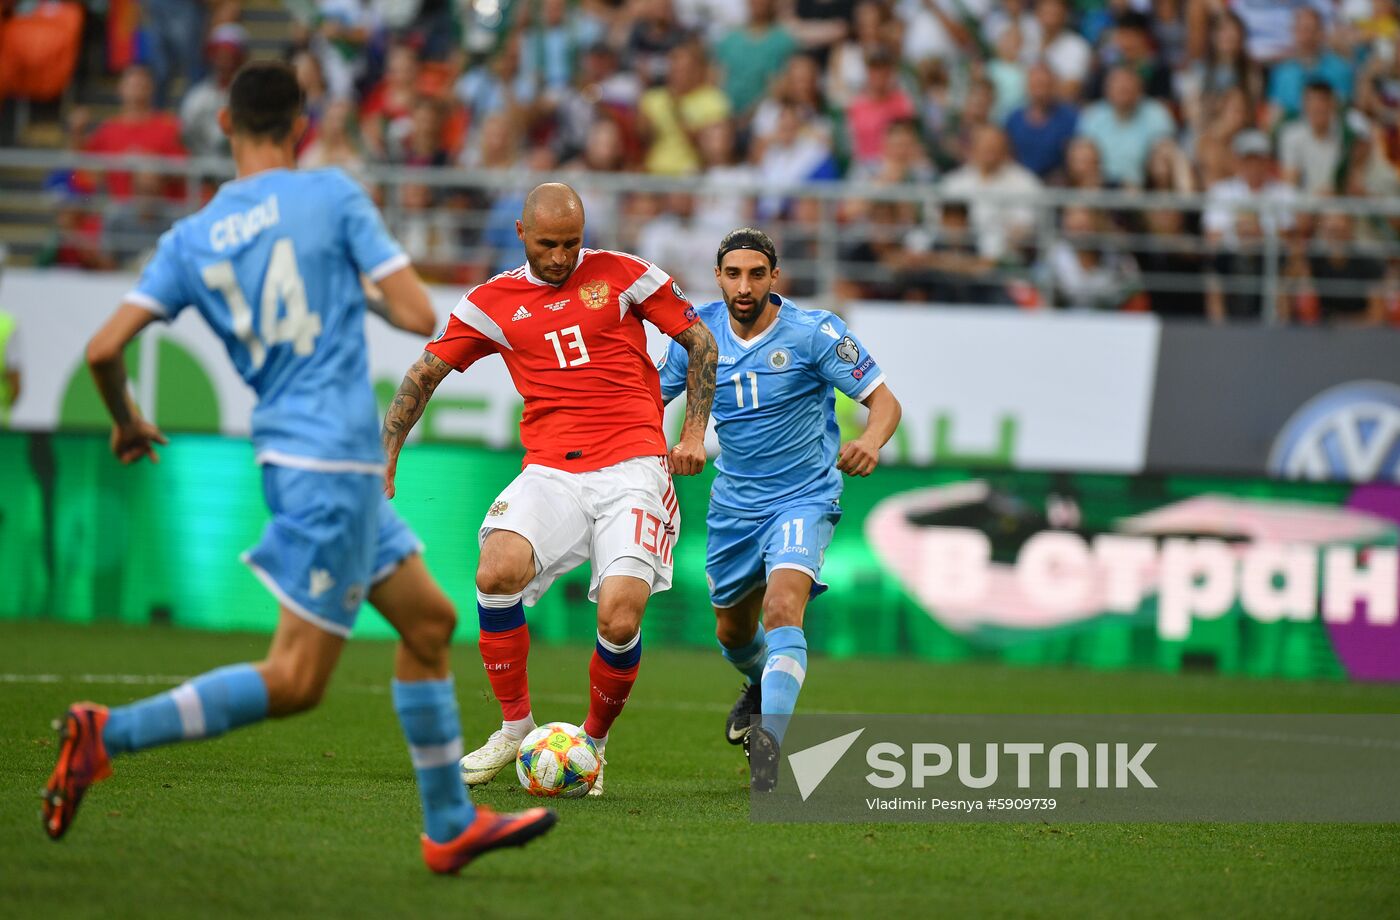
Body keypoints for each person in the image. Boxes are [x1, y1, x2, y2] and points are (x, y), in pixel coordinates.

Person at [41, 61, 557, 874]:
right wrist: (359, 288)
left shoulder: (191, 236)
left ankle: (451, 824)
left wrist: (128, 420)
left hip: (298, 456)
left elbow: (105, 349)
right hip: (333, 463)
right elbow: (420, 313)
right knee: (296, 680)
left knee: (428, 622)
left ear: (225, 126)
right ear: (302, 122)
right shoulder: (331, 196)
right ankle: (106, 734)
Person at [380, 182, 719, 798]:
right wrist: (387, 450)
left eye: (572, 243)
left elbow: (698, 340)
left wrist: (692, 433)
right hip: (551, 470)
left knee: (619, 616)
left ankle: (591, 744)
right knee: (496, 570)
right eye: (548, 244)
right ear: (520, 234)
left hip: (634, 467)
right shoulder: (491, 303)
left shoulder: (626, 275)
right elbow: (424, 373)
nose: (562, 257)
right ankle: (514, 728)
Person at [656, 228, 901, 792]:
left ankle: (771, 743)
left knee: (783, 607)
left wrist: (871, 440)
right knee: (732, 633)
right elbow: (648, 399)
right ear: (718, 277)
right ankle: (759, 683)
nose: (745, 286)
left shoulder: (815, 334)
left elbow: (884, 402)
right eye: (734, 274)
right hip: (734, 504)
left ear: (774, 277)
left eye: (756, 274)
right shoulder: (697, 335)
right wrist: (667, 444)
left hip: (803, 496)